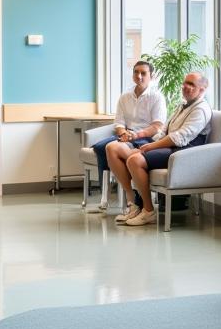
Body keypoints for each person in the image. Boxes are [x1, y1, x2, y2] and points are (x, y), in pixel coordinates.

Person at [108, 72, 213, 226]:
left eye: (191, 84)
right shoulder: (182, 105)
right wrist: (148, 145)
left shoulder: (201, 110)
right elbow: (165, 130)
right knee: (117, 150)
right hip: (170, 147)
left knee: (135, 160)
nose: (185, 86)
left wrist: (150, 147)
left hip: (182, 153)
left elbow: (180, 137)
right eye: (185, 83)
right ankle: (136, 205)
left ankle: (148, 212)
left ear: (202, 89)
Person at [91, 60, 166, 214]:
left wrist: (137, 135)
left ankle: (133, 197)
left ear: (151, 76)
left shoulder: (157, 97)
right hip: (127, 135)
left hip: (145, 137)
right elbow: (118, 123)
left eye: (143, 73)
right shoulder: (125, 96)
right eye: (136, 72)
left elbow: (157, 126)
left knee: (110, 148)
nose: (139, 76)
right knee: (103, 147)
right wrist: (124, 133)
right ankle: (131, 198)